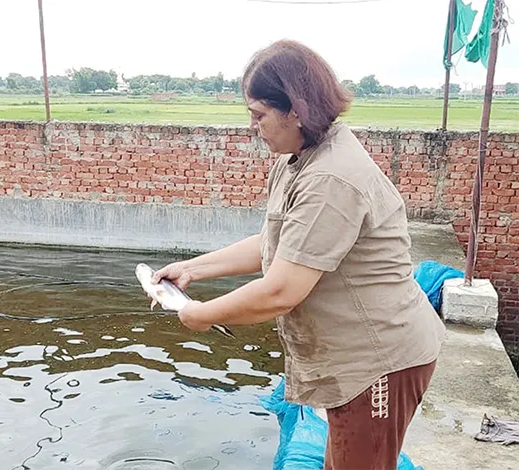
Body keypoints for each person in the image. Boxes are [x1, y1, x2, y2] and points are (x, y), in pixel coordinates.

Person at [151, 39, 446, 469]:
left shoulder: (330, 178)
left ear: (296, 109)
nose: (254, 126)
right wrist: (192, 270)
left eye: (260, 114)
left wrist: (202, 314)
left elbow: (281, 291)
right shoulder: (297, 158)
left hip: (378, 364)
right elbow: (275, 246)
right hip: (350, 362)